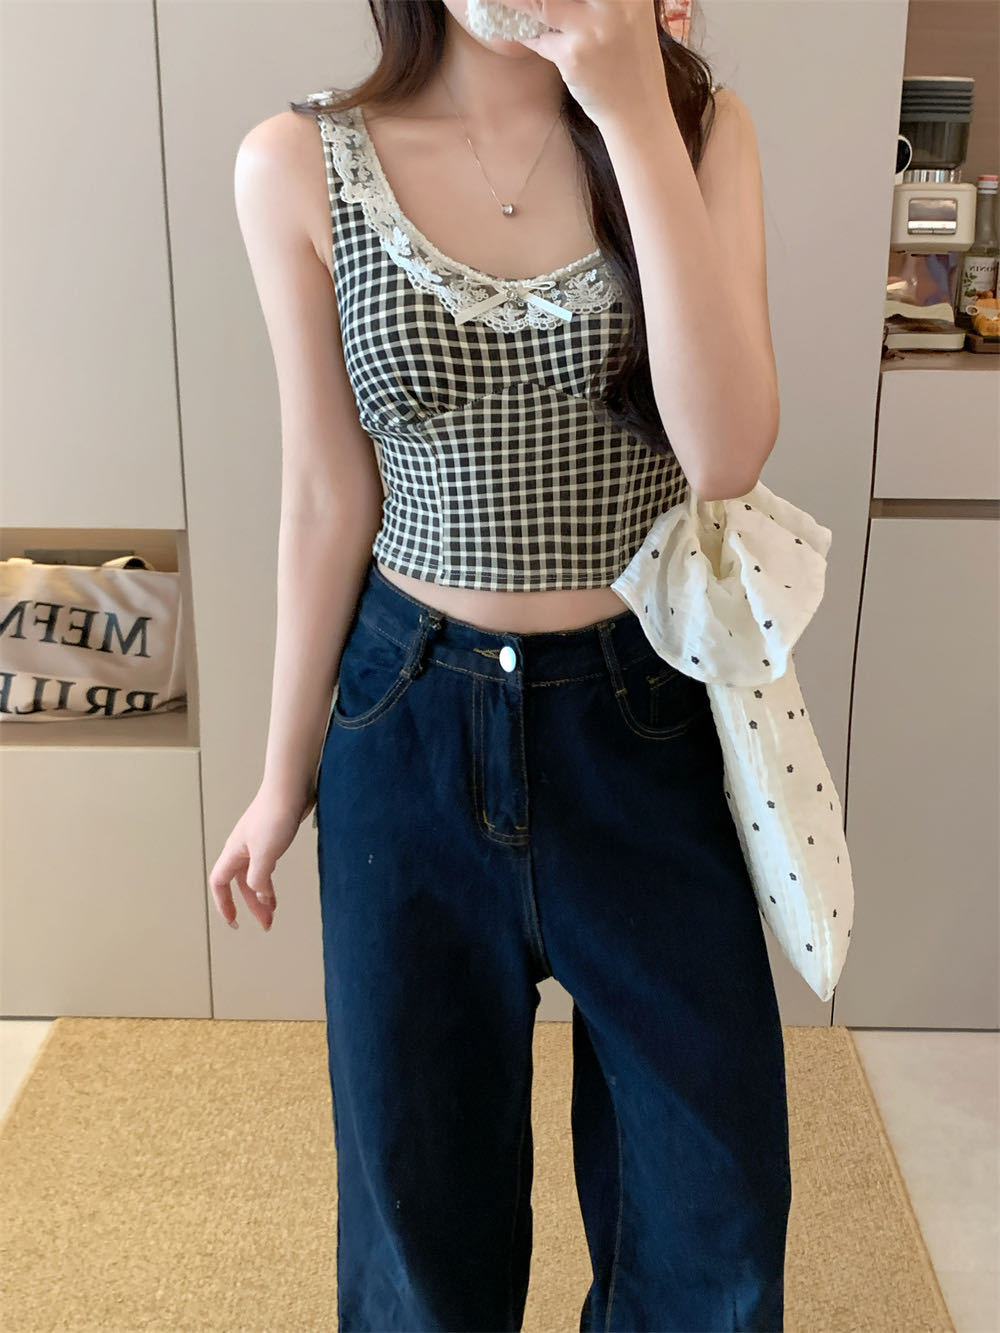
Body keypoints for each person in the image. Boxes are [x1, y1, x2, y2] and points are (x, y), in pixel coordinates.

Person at [210, 1, 790, 1328]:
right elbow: (325, 494)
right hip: (407, 715)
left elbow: (726, 454)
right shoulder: (298, 162)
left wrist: (631, 106)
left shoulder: (699, 130)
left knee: (712, 1218)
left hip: (643, 715)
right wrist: (282, 777)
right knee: (419, 1214)